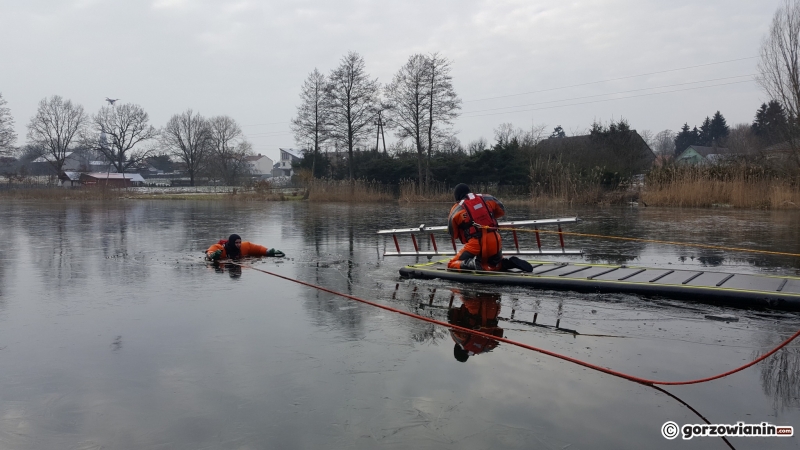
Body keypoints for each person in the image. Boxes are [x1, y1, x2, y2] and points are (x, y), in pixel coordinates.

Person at [447, 183, 532, 272]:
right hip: (495, 239)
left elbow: (453, 234)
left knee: (451, 264)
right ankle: (505, 263)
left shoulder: (457, 208)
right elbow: (502, 211)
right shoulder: (487, 198)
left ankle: (472, 263)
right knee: (494, 265)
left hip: (476, 244)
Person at [205, 234, 284, 261]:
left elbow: (258, 249)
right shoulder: (220, 249)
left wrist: (269, 251)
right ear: (232, 243)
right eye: (236, 243)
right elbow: (209, 252)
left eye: (239, 242)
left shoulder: (244, 246)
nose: (239, 244)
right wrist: (212, 256)